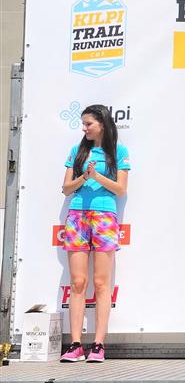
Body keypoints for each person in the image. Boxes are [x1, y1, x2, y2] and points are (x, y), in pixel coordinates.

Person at [59, 105, 130, 363]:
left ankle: (98, 344)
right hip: (77, 216)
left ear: (102, 123)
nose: (84, 128)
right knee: (78, 283)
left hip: (104, 217)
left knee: (101, 283)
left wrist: (96, 176)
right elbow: (66, 188)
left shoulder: (119, 152)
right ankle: (75, 344)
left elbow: (120, 189)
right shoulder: (77, 151)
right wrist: (83, 177)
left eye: (88, 123)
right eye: (83, 123)